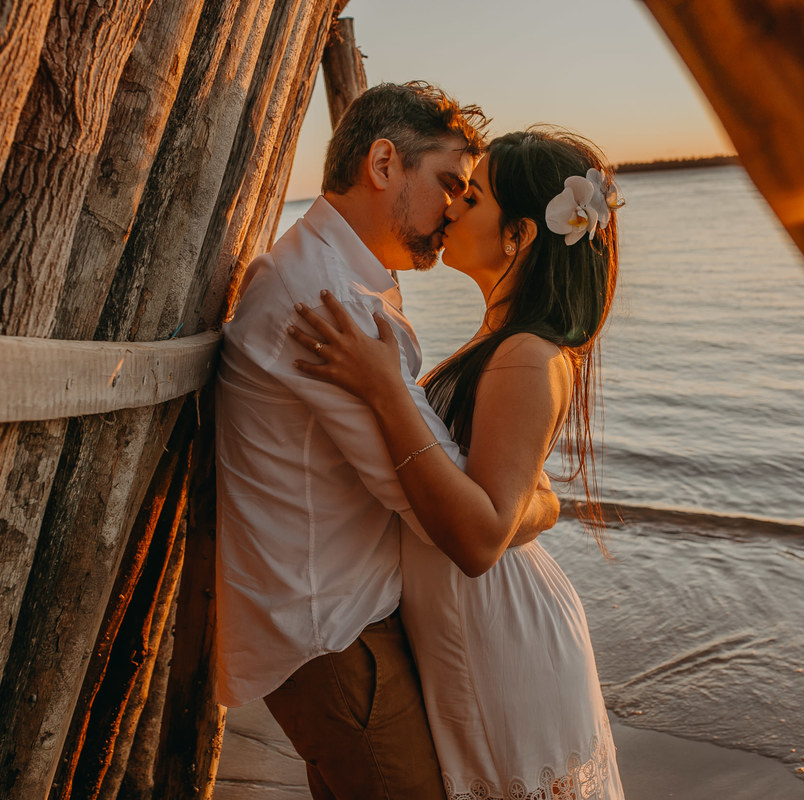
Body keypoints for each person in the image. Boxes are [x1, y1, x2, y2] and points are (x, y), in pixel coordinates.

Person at [214, 83, 560, 800]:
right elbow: (448, 515)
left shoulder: (336, 277)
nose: (454, 208)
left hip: (337, 617)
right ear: (381, 165)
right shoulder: (330, 302)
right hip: (333, 631)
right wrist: (539, 503)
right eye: (448, 184)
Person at [287, 128, 627, 799]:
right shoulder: (503, 343)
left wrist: (385, 389)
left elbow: (478, 540)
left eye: (471, 199)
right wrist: (541, 505)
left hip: (501, 628)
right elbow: (509, 493)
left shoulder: (525, 355)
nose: (450, 208)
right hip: (477, 620)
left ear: (518, 236)